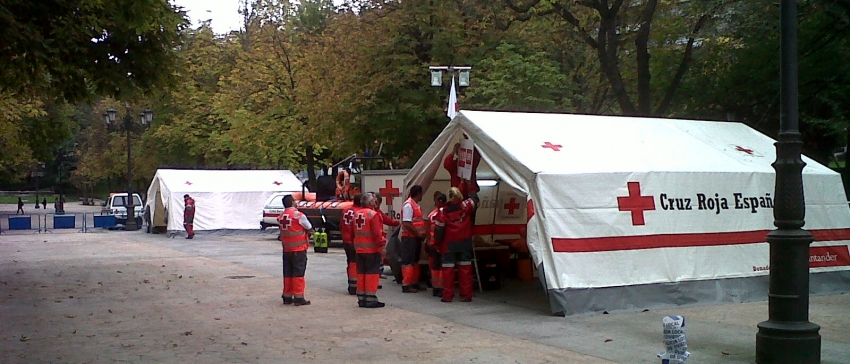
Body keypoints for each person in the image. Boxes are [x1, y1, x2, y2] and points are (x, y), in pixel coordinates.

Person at [434, 187, 479, 303]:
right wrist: (469, 185)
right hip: (465, 243)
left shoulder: (443, 211)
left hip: (448, 244)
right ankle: (466, 295)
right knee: (465, 270)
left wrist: (437, 243)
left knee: (448, 271)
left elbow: (439, 230)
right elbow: (475, 199)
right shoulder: (466, 206)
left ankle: (448, 296)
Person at [277, 195, 315, 306]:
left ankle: (287, 296)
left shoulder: (281, 216)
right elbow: (309, 227)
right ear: (293, 202)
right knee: (298, 272)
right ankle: (299, 297)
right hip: (299, 249)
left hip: (287, 249)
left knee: (288, 272)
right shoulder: (298, 215)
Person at [353, 193, 386, 308]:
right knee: (372, 274)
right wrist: (382, 245)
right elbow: (377, 234)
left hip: (359, 249)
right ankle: (371, 299)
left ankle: (361, 298)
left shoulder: (356, 214)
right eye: (373, 200)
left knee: (361, 274)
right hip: (371, 250)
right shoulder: (373, 215)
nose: (375, 202)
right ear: (370, 202)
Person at [400, 185, 427, 293]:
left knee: (415, 261)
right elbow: (406, 223)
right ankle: (406, 284)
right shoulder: (408, 206)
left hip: (415, 237)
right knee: (408, 261)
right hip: (409, 238)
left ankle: (414, 281)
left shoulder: (415, 205)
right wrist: (418, 233)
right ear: (418, 193)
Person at [426, 192, 447, 297]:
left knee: (435, 266)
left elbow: (428, 228)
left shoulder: (432, 213)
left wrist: (429, 241)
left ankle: (435, 287)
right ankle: (440, 287)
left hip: (432, 243)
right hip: (440, 244)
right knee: (442, 266)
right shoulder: (444, 213)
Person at [341, 194, 362, 295]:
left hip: (346, 239)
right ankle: (354, 285)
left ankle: (351, 283)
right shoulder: (359, 212)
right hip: (354, 240)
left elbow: (341, 224)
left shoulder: (346, 210)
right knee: (355, 262)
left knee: (350, 262)